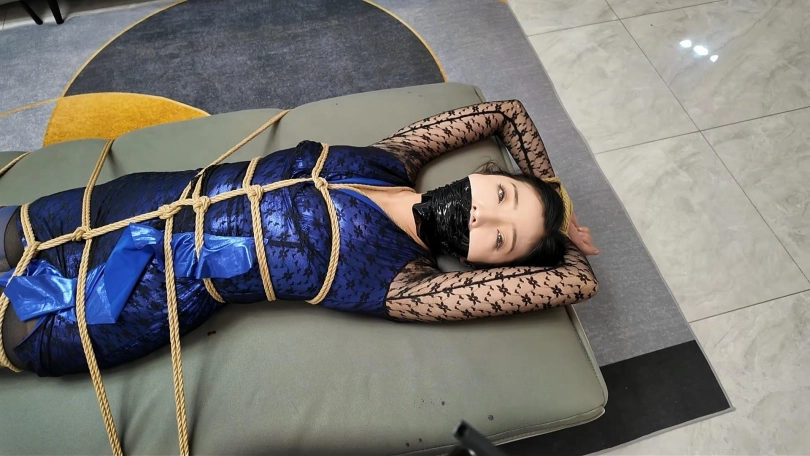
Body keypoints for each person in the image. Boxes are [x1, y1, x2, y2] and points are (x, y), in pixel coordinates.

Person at [0, 100, 599, 377]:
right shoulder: (391, 159)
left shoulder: (406, 285)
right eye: (502, 196)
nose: (481, 217)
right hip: (130, 201)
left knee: (14, 328)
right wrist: (551, 192)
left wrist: (559, 242)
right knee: (8, 226)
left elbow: (577, 282)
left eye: (500, 241)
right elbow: (505, 114)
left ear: (482, 265)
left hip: (128, 299)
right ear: (487, 176)